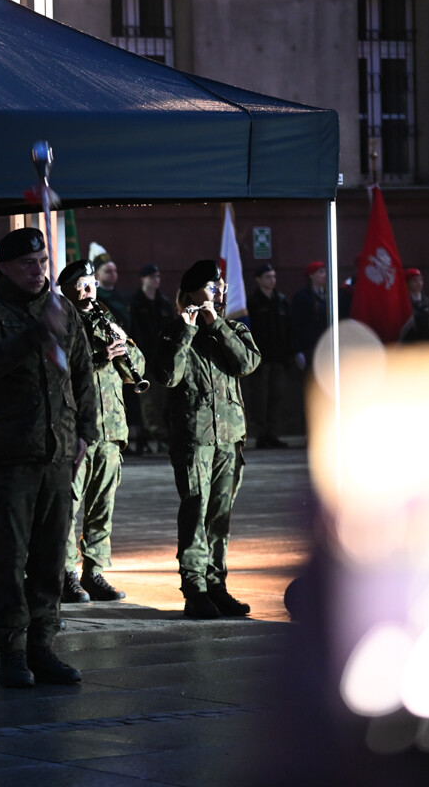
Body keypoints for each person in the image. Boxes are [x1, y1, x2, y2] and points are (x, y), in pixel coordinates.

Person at [0, 227, 98, 688]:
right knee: (8, 559)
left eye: (42, 261)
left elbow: (83, 376)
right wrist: (35, 336)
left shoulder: (60, 308)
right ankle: (12, 650)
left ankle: (43, 645)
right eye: (27, 264)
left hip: (57, 454)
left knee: (50, 559)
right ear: (3, 267)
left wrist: (85, 433)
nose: (38, 270)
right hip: (11, 456)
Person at [154, 260, 261, 619]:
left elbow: (247, 364)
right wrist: (186, 330)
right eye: (211, 286)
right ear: (192, 293)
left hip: (229, 438)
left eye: (220, 286)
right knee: (195, 511)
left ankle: (218, 587)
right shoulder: (174, 333)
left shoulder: (231, 330)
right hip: (194, 440)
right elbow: (168, 376)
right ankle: (195, 589)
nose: (219, 290)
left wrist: (216, 324)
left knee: (220, 516)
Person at [56, 259, 141, 604]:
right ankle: (65, 574)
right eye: (82, 283)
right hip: (77, 429)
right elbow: (58, 370)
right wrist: (97, 356)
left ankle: (94, 570)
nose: (90, 288)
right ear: (67, 290)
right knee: (67, 505)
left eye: (92, 281)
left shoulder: (105, 319)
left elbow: (138, 371)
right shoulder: (60, 322)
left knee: (102, 505)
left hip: (111, 430)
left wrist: (126, 345)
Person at [244, 264, 292, 449]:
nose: (272, 280)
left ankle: (273, 433)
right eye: (267, 277)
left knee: (276, 397)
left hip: (278, 357)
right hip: (261, 359)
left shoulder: (281, 300)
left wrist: (288, 353)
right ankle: (261, 434)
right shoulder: (253, 302)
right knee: (260, 399)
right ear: (258, 279)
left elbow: (288, 329)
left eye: (273, 276)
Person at [128, 263, 173, 454]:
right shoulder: (136, 303)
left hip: (161, 358)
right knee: (146, 402)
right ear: (143, 278)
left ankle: (162, 437)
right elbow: (134, 331)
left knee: (162, 400)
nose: (156, 280)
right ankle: (147, 436)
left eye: (158, 276)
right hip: (144, 358)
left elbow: (170, 329)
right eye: (152, 277)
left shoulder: (163, 302)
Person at [291, 260, 328, 371]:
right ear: (311, 276)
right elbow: (296, 324)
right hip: (309, 348)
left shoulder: (328, 295)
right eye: (321, 272)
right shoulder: (302, 297)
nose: (324, 275)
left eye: (325, 272)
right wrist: (298, 350)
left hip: (326, 346)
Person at [401, 268, 429, 342]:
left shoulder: (427, 301)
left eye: (421, 280)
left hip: (427, 342)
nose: (419, 283)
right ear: (407, 283)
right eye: (414, 280)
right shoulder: (404, 302)